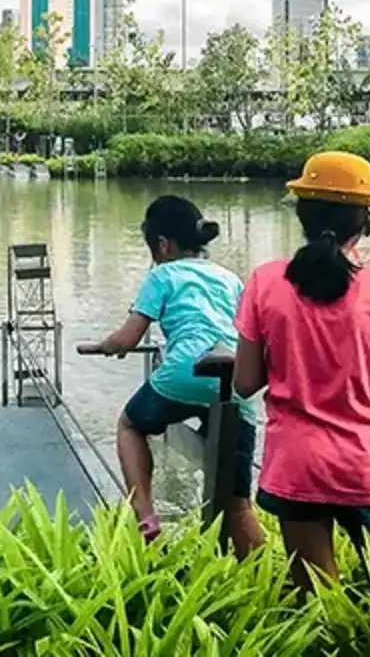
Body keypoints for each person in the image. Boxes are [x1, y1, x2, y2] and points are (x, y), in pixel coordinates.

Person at [232, 151, 370, 590]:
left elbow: (245, 382)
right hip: (363, 461)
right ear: (365, 223)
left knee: (320, 604)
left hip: (296, 462)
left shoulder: (265, 281)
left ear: (303, 214)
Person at [76, 195, 262, 554]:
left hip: (184, 373)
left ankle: (146, 517)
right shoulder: (230, 278)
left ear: (162, 244)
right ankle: (271, 587)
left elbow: (129, 337)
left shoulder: (162, 274)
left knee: (130, 425)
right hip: (234, 380)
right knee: (238, 503)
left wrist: (105, 345)